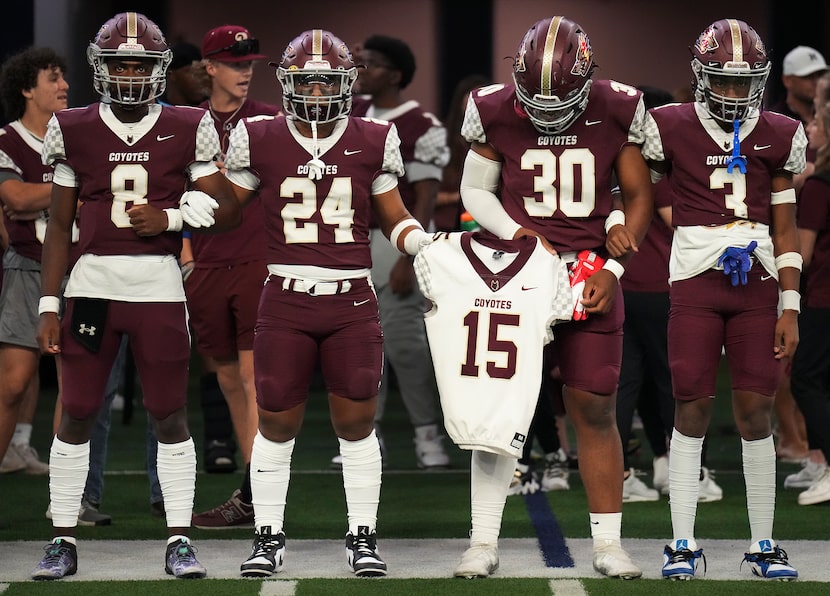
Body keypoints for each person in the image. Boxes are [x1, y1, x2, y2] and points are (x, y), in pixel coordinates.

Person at [31, 12, 241, 580]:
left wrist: (171, 216)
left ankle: (178, 537)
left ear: (157, 70)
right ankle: (62, 537)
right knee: (75, 412)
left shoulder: (187, 123)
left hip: (157, 286)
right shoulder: (72, 126)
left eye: (139, 65)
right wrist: (50, 304)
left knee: (170, 413)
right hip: (92, 287)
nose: (128, 75)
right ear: (100, 68)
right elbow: (58, 224)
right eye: (119, 65)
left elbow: (225, 207)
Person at [223, 28, 433, 578]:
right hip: (286, 296)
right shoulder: (259, 135)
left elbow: (394, 216)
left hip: (351, 298)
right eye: (306, 83)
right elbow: (224, 208)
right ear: (290, 85)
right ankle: (267, 535)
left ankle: (362, 535)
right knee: (274, 421)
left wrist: (424, 244)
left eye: (326, 82)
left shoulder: (373, 135)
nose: (316, 93)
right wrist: (191, 192)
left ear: (345, 84)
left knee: (358, 421)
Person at [458, 16, 653, 579]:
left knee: (594, 407)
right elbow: (475, 190)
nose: (545, 107)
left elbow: (639, 193)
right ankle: (482, 540)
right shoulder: (493, 107)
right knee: (499, 411)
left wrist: (616, 265)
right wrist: (515, 232)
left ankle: (609, 543)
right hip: (515, 273)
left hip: (588, 270)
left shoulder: (618, 106)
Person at [641, 18, 804, 580]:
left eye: (745, 82)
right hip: (694, 284)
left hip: (757, 287)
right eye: (724, 81)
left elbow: (786, 230)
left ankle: (763, 542)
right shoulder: (668, 126)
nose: (735, 92)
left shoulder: (781, 132)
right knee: (691, 406)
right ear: (700, 77)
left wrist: (791, 305)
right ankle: (682, 541)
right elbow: (638, 188)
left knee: (756, 410)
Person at [341, 34, 450, 469]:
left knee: (406, 345)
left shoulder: (422, 123)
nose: (362, 70)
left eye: (372, 64)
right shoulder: (349, 114)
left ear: (397, 74)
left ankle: (427, 433)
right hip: (350, 237)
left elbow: (424, 196)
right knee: (359, 344)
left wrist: (410, 255)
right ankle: (366, 433)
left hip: (397, 238)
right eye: (360, 62)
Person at [188, 24, 281, 530]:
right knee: (227, 379)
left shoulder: (269, 120)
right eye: (235, 63)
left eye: (249, 64)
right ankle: (252, 494)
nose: (246, 72)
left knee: (250, 377)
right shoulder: (185, 123)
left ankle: (257, 493)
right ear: (210, 67)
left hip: (255, 259)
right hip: (205, 261)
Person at [0, 47, 69, 476]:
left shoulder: (78, 133)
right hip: (27, 267)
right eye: (53, 78)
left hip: (80, 269)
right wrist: (73, 187)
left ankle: (66, 496)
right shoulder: (7, 139)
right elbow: (15, 197)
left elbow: (28, 200)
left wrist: (36, 197)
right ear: (27, 89)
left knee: (75, 390)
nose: (64, 85)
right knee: (12, 384)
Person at [790, 98, 830, 506]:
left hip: (823, 296)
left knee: (804, 378)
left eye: (817, 120)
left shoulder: (820, 185)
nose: (811, 126)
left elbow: (802, 253)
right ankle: (822, 464)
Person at [434, 74, 490, 232]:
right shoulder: (441, 136)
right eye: (473, 96)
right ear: (461, 100)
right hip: (445, 226)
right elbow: (423, 194)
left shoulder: (495, 139)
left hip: (485, 225)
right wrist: (458, 197)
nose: (478, 102)